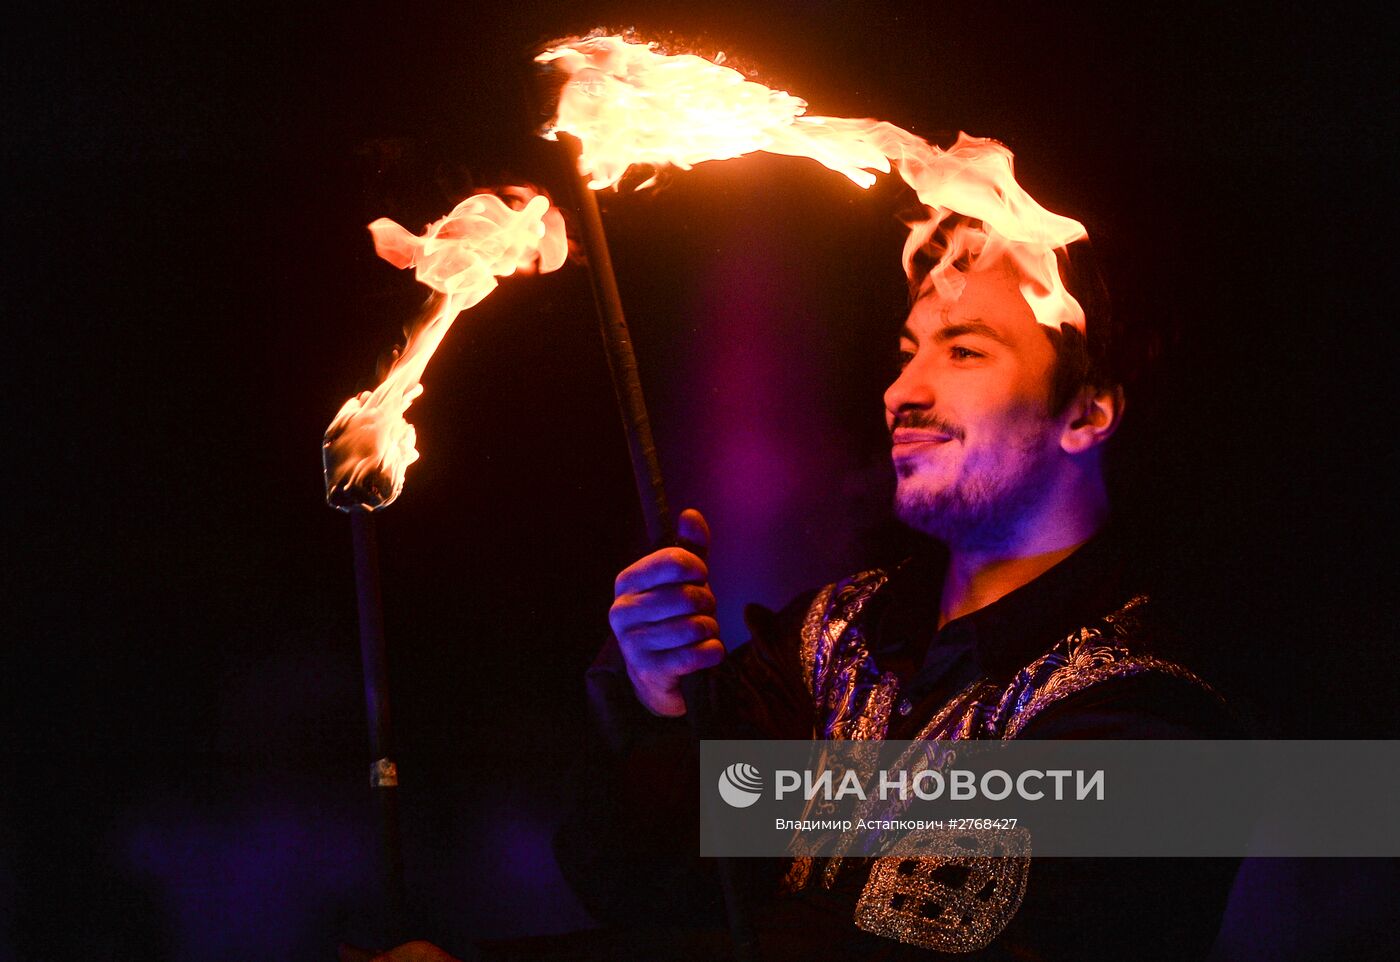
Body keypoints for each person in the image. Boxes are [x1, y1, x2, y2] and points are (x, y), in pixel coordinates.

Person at [553, 231, 1241, 960]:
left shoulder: (1147, 710)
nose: (900, 392)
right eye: (909, 351)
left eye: (964, 350)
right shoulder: (830, 634)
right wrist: (661, 698)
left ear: (1086, 412)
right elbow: (640, 887)